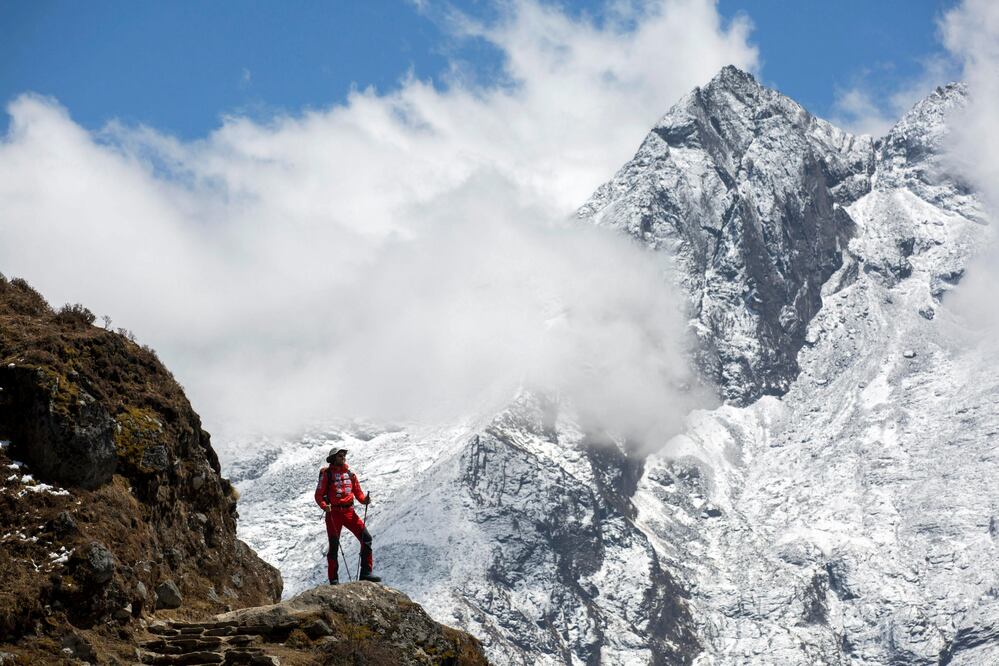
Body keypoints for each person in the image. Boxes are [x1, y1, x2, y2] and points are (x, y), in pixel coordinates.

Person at [314, 447, 381, 584]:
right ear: (333, 458)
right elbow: (319, 494)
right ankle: (333, 579)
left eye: (344, 455)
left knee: (366, 538)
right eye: (340, 455)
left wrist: (364, 500)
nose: (343, 457)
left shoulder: (350, 475)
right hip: (333, 513)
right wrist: (324, 506)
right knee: (334, 546)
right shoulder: (326, 474)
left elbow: (358, 493)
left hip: (349, 512)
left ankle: (366, 573)